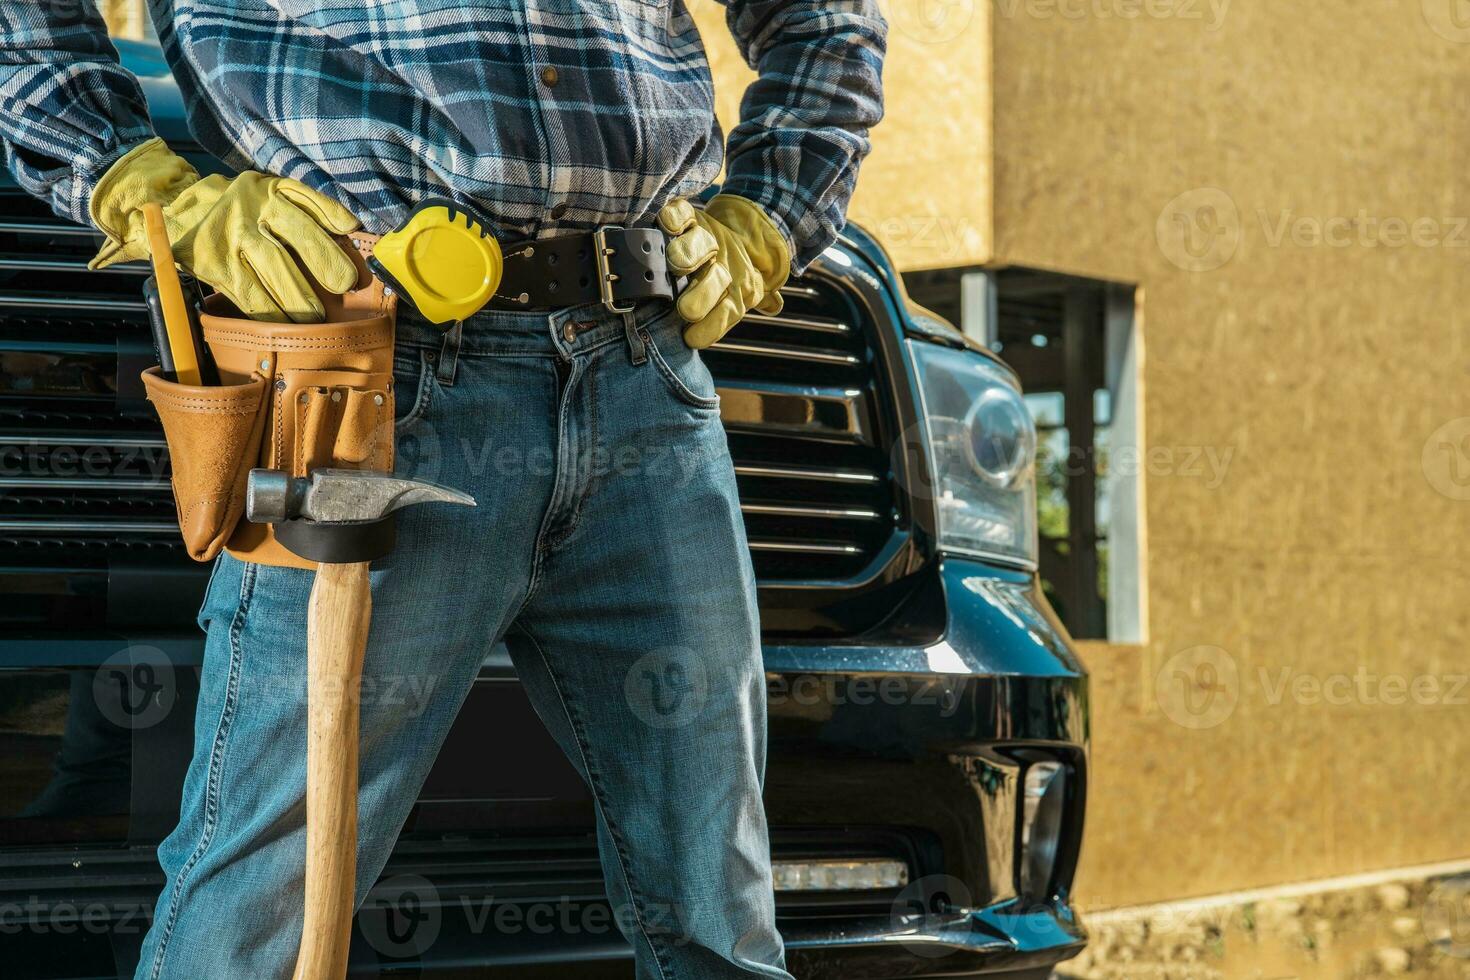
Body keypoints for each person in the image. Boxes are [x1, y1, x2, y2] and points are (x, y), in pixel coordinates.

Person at [0, 2, 885, 977]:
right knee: (266, 910)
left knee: (722, 917)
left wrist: (771, 211)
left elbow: (823, 17)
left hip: (648, 376)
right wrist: (136, 179)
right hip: (365, 382)